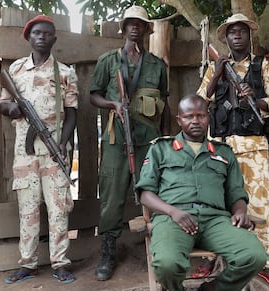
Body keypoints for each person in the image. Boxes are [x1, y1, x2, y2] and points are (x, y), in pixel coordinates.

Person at [136, 94, 268, 291]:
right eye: (189, 116)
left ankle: (214, 289)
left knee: (254, 255)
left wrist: (240, 211)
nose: (195, 121)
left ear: (208, 117)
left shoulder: (223, 152)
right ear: (179, 120)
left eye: (200, 116)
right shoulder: (161, 149)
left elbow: (236, 193)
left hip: (215, 220)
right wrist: (173, 212)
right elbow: (145, 194)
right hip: (173, 219)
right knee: (167, 264)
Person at [197, 13, 269, 288]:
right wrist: (218, 73)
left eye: (242, 31)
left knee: (258, 202)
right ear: (225, 38)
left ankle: (264, 262)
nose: (236, 35)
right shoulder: (216, 66)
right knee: (216, 204)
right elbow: (200, 101)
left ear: (249, 36)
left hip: (253, 147)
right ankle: (213, 257)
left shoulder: (264, 66)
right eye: (231, 32)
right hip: (220, 147)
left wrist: (256, 101)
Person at [89, 5, 170, 281]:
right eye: (130, 24)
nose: (135, 28)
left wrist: (167, 143)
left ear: (148, 29)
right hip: (116, 141)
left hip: (149, 141)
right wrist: (113, 103)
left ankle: (161, 250)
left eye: (141, 24)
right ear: (123, 28)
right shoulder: (108, 61)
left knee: (156, 194)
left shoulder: (158, 65)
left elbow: (165, 105)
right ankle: (108, 252)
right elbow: (94, 96)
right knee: (111, 198)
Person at [0, 15, 78, 284]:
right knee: (28, 209)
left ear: (54, 39)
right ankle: (28, 264)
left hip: (54, 150)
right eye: (36, 33)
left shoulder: (65, 73)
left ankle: (60, 263)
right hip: (25, 153)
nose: (41, 37)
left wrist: (62, 145)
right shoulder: (16, 70)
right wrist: (15, 108)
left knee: (58, 209)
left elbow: (71, 115)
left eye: (46, 33)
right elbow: (4, 104)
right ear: (29, 38)